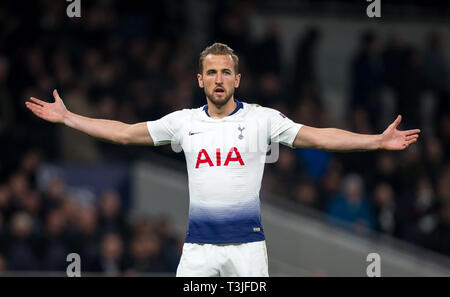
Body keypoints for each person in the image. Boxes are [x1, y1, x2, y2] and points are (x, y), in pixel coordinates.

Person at [25, 42, 421, 277]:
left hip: (248, 248)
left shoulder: (262, 118)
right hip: (198, 249)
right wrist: (69, 118)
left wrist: (375, 141)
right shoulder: (183, 123)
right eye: (211, 72)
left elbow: (318, 136)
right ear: (200, 80)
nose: (218, 79)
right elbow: (126, 132)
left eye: (225, 72)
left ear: (237, 79)